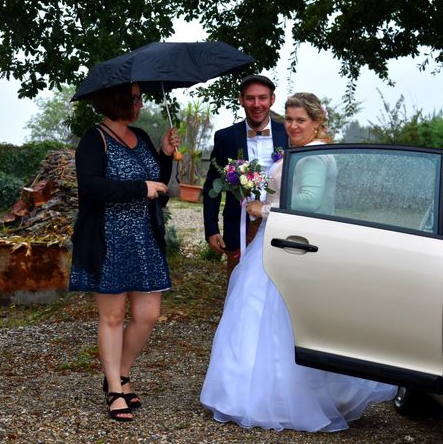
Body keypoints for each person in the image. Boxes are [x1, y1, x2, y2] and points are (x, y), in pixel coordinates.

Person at [200, 92, 397, 432]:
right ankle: (257, 392)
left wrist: (262, 208)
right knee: (263, 319)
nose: (291, 125)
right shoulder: (306, 152)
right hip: (279, 241)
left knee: (272, 318)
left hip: (290, 245)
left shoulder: (315, 156)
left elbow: (308, 201)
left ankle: (269, 397)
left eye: (300, 120)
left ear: (317, 122)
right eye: (288, 119)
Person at [69, 82, 180, 422]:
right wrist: (139, 188)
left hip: (144, 240)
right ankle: (116, 390)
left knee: (147, 316)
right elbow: (90, 186)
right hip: (108, 240)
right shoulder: (95, 139)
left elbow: (156, 185)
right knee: (113, 317)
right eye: (136, 98)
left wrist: (163, 154)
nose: (141, 103)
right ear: (121, 100)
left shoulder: (142, 136)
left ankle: (120, 373)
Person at [202, 75, 288, 275]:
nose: (256, 104)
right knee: (238, 285)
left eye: (262, 98)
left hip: (278, 224)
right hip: (238, 227)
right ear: (241, 100)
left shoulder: (287, 133)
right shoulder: (225, 137)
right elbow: (211, 186)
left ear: (272, 99)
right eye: (250, 98)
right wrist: (212, 228)